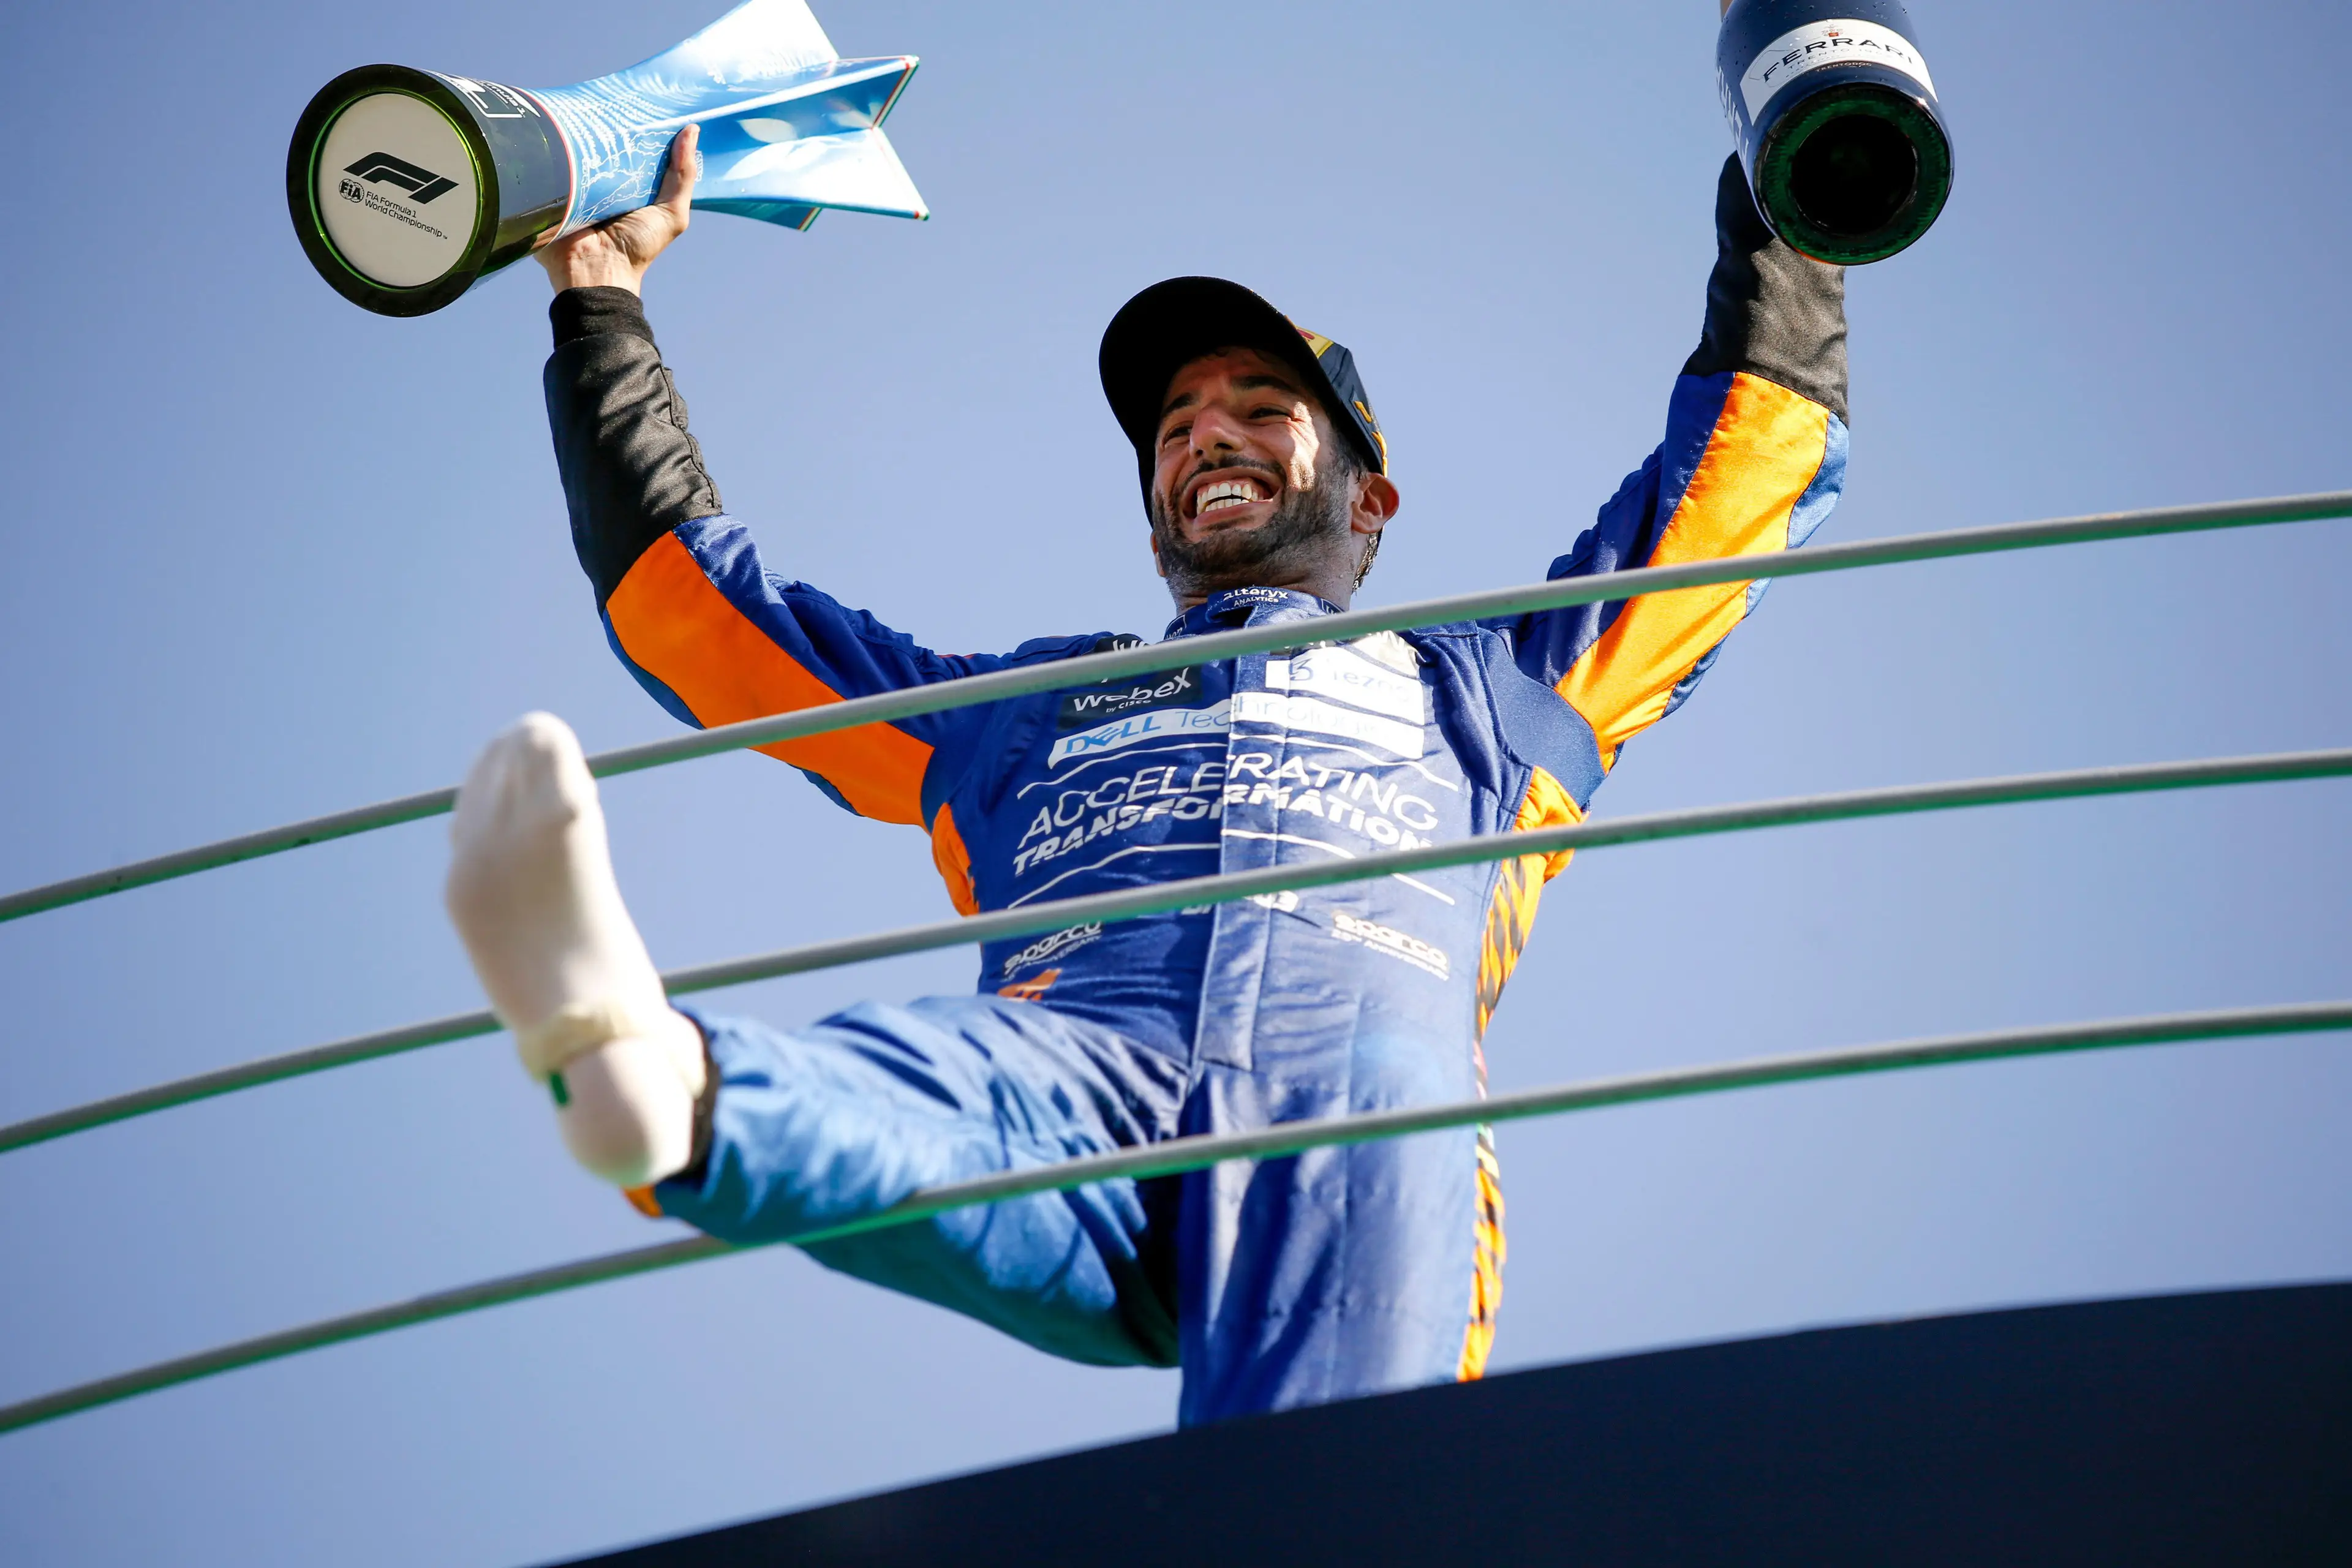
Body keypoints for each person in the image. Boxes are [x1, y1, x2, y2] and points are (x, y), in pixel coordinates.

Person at [445, 110, 1848, 1426]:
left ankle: (674, 1087)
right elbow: (713, 621)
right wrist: (599, 304)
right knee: (908, 1081)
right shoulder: (1020, 712)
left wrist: (1798, 161)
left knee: (1329, 1502)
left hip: (1353, 1089)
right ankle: (658, 1079)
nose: (1204, 436)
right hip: (1070, 1064)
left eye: (1258, 405)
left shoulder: (1503, 683)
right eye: (1173, 429)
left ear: (1370, 499)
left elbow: (1732, 483)